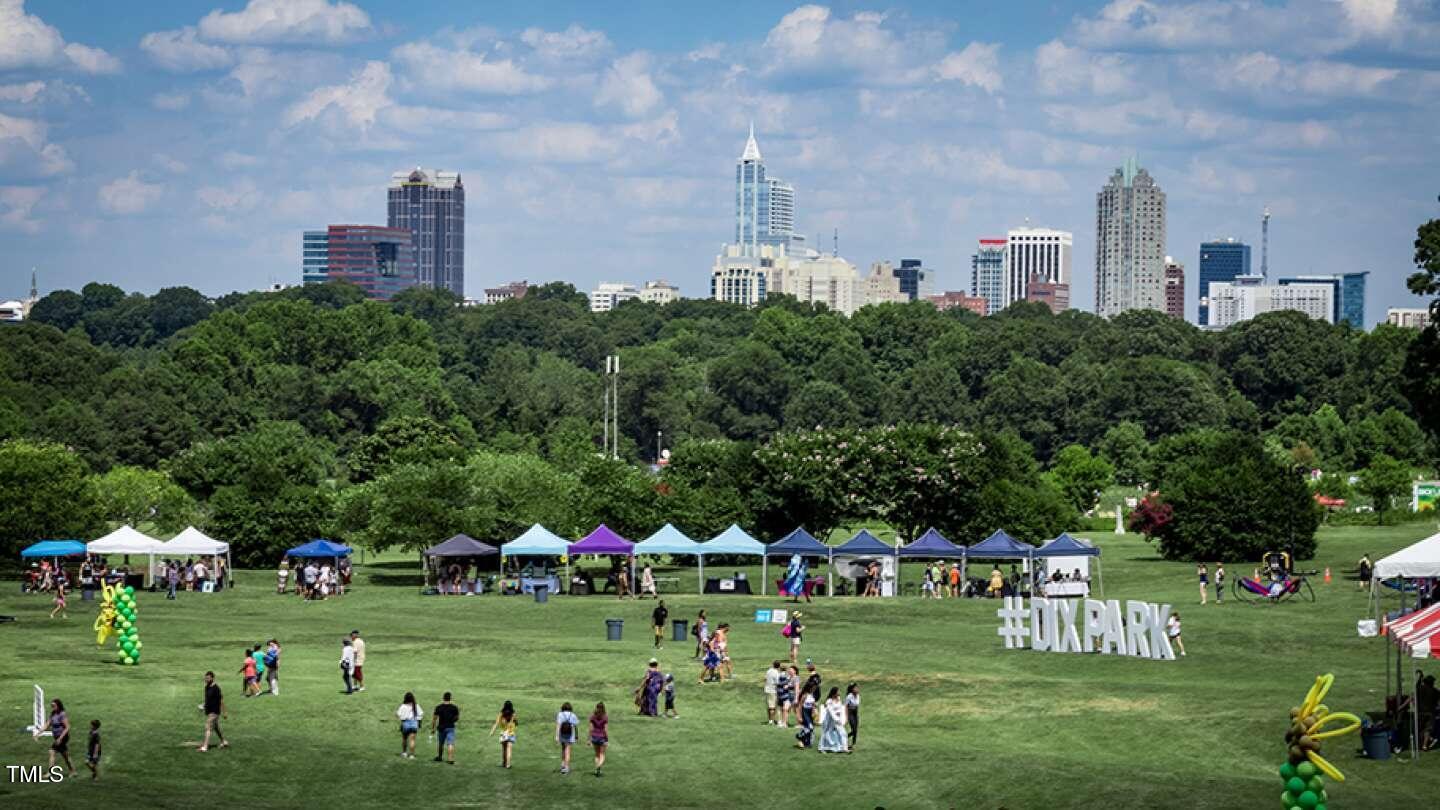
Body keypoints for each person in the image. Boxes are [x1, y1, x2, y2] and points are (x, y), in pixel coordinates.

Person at [199, 671, 227, 752]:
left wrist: (224, 712)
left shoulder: (216, 688)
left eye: (208, 678)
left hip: (214, 711)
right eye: (205, 678)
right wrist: (203, 705)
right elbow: (208, 699)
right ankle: (224, 741)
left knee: (208, 727)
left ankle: (205, 747)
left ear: (212, 678)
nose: (206, 679)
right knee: (216, 728)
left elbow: (221, 701)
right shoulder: (207, 687)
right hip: (209, 710)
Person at [47, 698, 74, 775]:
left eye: (54, 705)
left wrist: (60, 738)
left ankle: (50, 772)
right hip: (57, 738)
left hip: (62, 737)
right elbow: (47, 724)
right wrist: (38, 733)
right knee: (65, 755)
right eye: (51, 705)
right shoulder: (52, 714)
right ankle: (73, 771)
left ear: (58, 705)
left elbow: (68, 727)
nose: (52, 707)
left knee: (52, 752)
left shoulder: (62, 714)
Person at [819, 687, 849, 753]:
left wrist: (841, 719)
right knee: (825, 732)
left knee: (842, 732)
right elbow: (831, 711)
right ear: (834, 693)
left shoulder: (839, 699)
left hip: (837, 720)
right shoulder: (829, 701)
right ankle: (821, 748)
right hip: (828, 720)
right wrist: (836, 719)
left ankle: (844, 748)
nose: (839, 693)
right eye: (838, 691)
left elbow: (841, 709)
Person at [432, 692, 459, 764]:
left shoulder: (439, 707)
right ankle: (450, 759)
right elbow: (457, 718)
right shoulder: (454, 707)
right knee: (450, 743)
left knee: (440, 743)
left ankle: (439, 757)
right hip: (450, 727)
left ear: (443, 698)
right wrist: (452, 720)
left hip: (441, 727)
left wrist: (433, 728)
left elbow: (434, 719)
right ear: (450, 698)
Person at [555, 701, 580, 775]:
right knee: (568, 750)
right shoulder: (573, 715)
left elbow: (558, 725)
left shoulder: (560, 714)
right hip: (570, 735)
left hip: (562, 734)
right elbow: (576, 726)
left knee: (563, 749)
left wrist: (556, 736)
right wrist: (576, 735)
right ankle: (566, 767)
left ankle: (563, 765)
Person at [489, 700, 516, 768]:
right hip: (510, 732)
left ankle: (504, 763)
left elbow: (496, 723)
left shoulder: (501, 713)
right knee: (509, 748)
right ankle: (508, 764)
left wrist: (492, 732)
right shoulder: (513, 713)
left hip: (504, 733)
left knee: (504, 749)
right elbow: (514, 723)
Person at [396, 692, 422, 759]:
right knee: (412, 740)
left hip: (405, 723)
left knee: (404, 739)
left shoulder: (403, 706)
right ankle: (412, 755)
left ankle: (404, 753)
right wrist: (419, 722)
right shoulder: (416, 705)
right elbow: (420, 714)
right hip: (414, 723)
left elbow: (398, 714)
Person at [589, 702, 609, 777]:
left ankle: (597, 768)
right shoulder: (605, 717)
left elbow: (591, 729)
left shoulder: (593, 716)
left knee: (597, 754)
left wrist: (589, 739)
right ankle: (599, 767)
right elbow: (605, 730)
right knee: (602, 754)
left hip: (594, 737)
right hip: (602, 737)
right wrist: (607, 739)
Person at [794, 684, 816, 749]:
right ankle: (799, 736)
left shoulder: (812, 695)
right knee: (810, 728)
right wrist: (799, 716)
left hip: (810, 714)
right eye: (813, 688)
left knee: (809, 729)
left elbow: (813, 705)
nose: (814, 689)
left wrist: (814, 712)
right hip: (805, 713)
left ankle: (807, 743)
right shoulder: (804, 696)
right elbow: (800, 706)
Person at [764, 660, 782, 725]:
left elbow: (765, 679)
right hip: (773, 691)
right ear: (779, 666)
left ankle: (770, 720)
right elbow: (777, 682)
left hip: (767, 690)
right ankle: (772, 720)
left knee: (769, 706)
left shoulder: (768, 671)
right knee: (772, 707)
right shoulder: (776, 673)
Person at [844, 683, 860, 749]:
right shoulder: (849, 696)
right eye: (855, 688)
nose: (857, 689)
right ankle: (845, 737)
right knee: (853, 729)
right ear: (852, 689)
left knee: (855, 730)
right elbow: (846, 706)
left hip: (855, 713)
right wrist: (846, 717)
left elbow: (857, 705)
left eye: (857, 688)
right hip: (850, 712)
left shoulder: (858, 695)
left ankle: (853, 744)